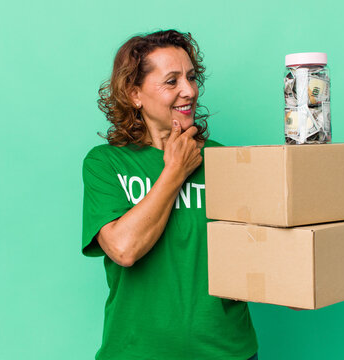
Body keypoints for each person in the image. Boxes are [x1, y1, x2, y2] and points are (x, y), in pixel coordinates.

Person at [81, 30, 259, 359]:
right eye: (171, 81)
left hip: (227, 351)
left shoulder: (225, 161)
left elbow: (258, 248)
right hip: (137, 352)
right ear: (135, 94)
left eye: (191, 77)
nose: (189, 91)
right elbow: (124, 249)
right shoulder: (105, 163)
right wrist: (176, 170)